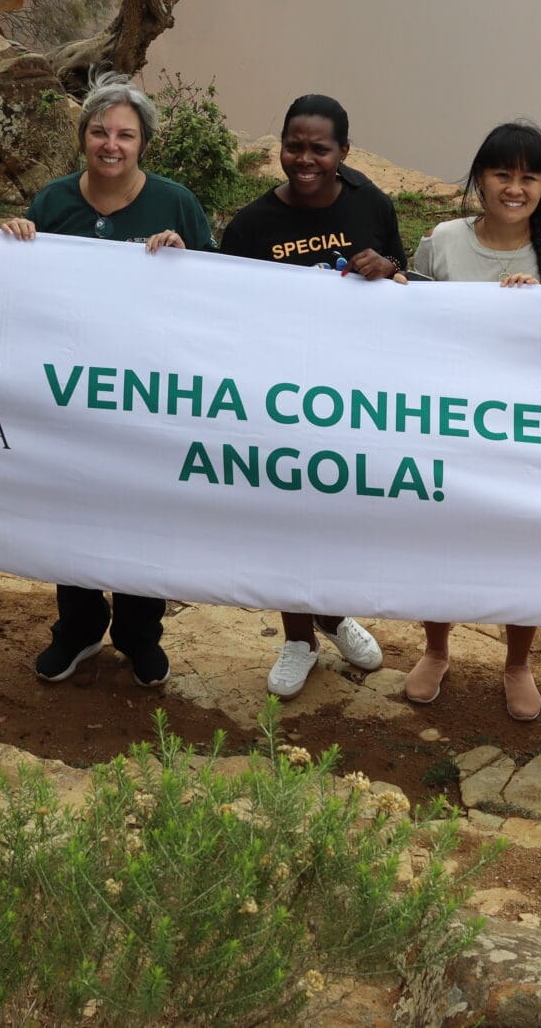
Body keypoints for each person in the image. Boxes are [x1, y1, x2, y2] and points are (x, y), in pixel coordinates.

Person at [0, 72, 215, 689]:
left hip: (149, 395)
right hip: (71, 394)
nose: (111, 144)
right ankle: (78, 628)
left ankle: (139, 632)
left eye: (125, 133)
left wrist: (185, 258)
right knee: (74, 506)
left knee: (143, 510)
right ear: (83, 137)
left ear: (143, 141)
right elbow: (27, 290)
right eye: (99, 131)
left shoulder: (176, 204)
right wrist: (14, 240)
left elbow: (217, 293)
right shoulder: (54, 200)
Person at [407, 119, 541, 721]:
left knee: (523, 549)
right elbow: (407, 326)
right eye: (502, 174)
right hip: (448, 424)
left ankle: (517, 662)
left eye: (529, 177)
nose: (514, 188)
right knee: (442, 542)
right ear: (480, 179)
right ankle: (436, 650)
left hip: (529, 434)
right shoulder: (440, 241)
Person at [219, 93, 400, 697]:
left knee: (340, 513)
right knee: (286, 518)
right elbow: (220, 307)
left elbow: (401, 283)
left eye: (319, 148)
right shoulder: (250, 226)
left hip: (352, 394)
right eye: (293, 145)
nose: (305, 158)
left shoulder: (371, 203)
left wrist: (386, 270)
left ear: (343, 152)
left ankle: (333, 613)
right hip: (277, 397)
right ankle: (299, 636)